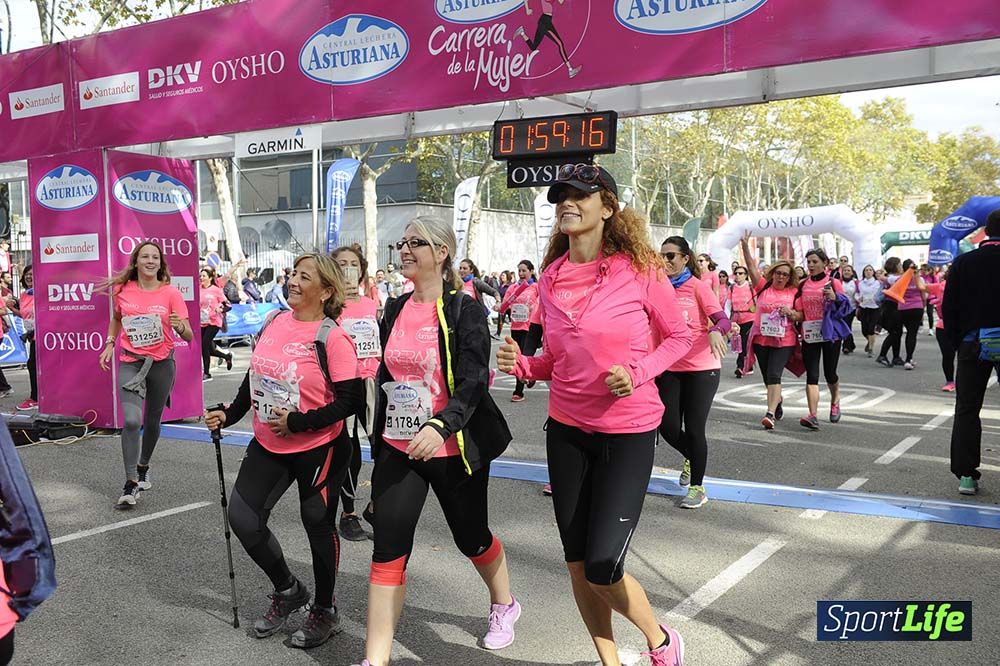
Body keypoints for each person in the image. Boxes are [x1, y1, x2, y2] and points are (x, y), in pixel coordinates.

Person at [497, 164, 692, 666]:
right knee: (578, 563)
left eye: (580, 195)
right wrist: (520, 364)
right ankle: (611, 662)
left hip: (627, 433)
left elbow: (680, 337)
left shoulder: (641, 269)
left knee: (604, 563)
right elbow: (555, 360)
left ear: (607, 207)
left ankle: (661, 641)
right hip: (565, 433)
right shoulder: (550, 279)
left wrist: (639, 371)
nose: (567, 202)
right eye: (560, 194)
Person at [353, 216, 516, 666]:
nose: (405, 250)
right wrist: (379, 438)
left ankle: (503, 604)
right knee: (388, 550)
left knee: (472, 539)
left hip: (453, 448)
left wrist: (441, 425)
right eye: (402, 243)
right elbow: (387, 376)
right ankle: (376, 659)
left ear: (441, 253)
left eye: (416, 243)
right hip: (399, 447)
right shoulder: (394, 307)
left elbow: (473, 381)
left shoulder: (465, 309)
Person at [205, 253, 362, 648]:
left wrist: (298, 422)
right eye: (293, 273)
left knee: (317, 525)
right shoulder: (274, 321)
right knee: (243, 517)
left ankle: (325, 611)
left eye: (303, 277)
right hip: (269, 443)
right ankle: (289, 589)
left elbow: (350, 402)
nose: (292, 280)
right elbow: (254, 375)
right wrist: (230, 413)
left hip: (319, 446)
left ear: (326, 291)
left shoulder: (333, 337)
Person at [98, 241, 193, 508]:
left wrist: (180, 326)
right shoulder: (122, 290)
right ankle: (130, 483)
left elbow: (189, 334)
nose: (150, 261)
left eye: (155, 257)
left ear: (160, 263)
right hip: (131, 362)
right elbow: (117, 319)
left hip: (162, 364)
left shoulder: (171, 293)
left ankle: (143, 465)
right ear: (136, 262)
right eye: (145, 257)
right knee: (130, 421)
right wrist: (109, 343)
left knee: (152, 421)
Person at [659, 236, 732, 509]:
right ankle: (692, 456)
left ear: (685, 258)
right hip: (669, 366)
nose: (665, 261)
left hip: (702, 367)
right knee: (665, 425)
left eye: (671, 256)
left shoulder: (698, 287)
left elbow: (723, 319)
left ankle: (697, 487)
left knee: (694, 428)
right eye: (662, 256)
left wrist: (715, 331)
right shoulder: (658, 288)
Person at [943, 209, 1000, 495]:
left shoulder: (963, 262)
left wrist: (957, 341)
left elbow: (948, 306)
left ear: (987, 231)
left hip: (972, 342)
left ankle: (966, 474)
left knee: (967, 408)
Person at [332, 244, 381, 543]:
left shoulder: (371, 304)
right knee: (348, 452)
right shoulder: (328, 305)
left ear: (362, 270)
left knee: (384, 449)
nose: (348, 269)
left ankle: (376, 507)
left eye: (353, 264)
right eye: (341, 264)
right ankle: (348, 513)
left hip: (372, 382)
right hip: (344, 383)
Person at [740, 233, 802, 430]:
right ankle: (778, 400)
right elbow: (750, 268)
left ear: (789, 277)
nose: (781, 276)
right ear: (773, 273)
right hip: (762, 340)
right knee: (768, 377)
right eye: (778, 273)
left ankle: (769, 413)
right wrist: (744, 247)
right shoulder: (763, 287)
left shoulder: (794, 292)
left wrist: (791, 312)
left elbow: (801, 315)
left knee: (775, 375)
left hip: (784, 341)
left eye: (785, 274)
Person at [794, 249, 851, 430]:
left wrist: (835, 298)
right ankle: (813, 415)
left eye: (814, 262)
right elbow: (799, 311)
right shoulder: (803, 285)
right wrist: (792, 315)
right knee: (812, 375)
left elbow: (846, 307)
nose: (810, 265)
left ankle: (835, 400)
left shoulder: (833, 282)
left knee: (830, 373)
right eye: (808, 262)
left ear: (824, 263)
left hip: (830, 334)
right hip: (810, 333)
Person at [496, 260, 539, 403]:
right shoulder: (513, 287)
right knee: (517, 358)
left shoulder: (536, 287)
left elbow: (544, 304)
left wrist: (535, 308)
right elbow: (505, 305)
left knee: (525, 357)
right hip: (516, 327)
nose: (521, 274)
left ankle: (521, 386)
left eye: (524, 271)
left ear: (531, 271)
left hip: (531, 327)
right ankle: (525, 382)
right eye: (519, 271)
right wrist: (501, 307)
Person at [9, 266, 36, 410]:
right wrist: (13, 310)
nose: (28, 277)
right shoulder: (25, 295)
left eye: (32, 274)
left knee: (33, 365)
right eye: (26, 274)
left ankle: (36, 398)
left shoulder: (42, 292)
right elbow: (26, 315)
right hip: (31, 334)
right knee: (32, 365)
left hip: (44, 333)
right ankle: (36, 396)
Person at [199, 268, 233, 381]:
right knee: (209, 348)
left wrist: (221, 309)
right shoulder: (198, 289)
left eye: (204, 276)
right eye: (201, 276)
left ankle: (207, 373)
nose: (201, 278)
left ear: (209, 278)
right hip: (202, 322)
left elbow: (228, 305)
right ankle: (227, 356)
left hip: (214, 321)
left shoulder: (215, 290)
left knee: (204, 345)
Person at [896, 259, 928, 370]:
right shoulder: (919, 279)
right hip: (916, 307)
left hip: (903, 308)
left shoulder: (899, 279)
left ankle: (907, 358)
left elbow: (896, 293)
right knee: (912, 334)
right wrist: (923, 306)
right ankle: (909, 359)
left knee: (908, 333)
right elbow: (923, 294)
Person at [926, 271, 954, 391]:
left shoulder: (968, 285)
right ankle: (950, 381)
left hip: (963, 327)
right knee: (948, 355)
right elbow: (922, 287)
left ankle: (967, 382)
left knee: (966, 357)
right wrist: (914, 274)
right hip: (943, 326)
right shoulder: (940, 286)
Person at [875, 257, 905, 367]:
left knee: (897, 332)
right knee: (894, 332)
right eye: (900, 264)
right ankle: (882, 355)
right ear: (895, 266)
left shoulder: (889, 278)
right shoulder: (893, 278)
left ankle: (896, 357)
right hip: (892, 306)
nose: (901, 267)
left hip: (892, 306)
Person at [730, 265, 756, 378]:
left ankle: (740, 367)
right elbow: (727, 305)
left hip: (749, 319)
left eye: (741, 273)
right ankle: (748, 365)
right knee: (738, 343)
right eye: (736, 273)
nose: (738, 276)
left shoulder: (750, 287)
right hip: (736, 320)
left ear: (746, 275)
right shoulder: (731, 288)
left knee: (744, 343)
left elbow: (758, 303)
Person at [856, 265, 883, 357]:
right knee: (864, 330)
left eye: (870, 270)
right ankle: (870, 341)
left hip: (875, 307)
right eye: (866, 270)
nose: (868, 271)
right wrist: (859, 298)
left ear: (873, 272)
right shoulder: (860, 283)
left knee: (871, 328)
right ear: (864, 272)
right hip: (864, 307)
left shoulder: (878, 283)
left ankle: (871, 348)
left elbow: (881, 294)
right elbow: (857, 293)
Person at [839, 264, 858, 354]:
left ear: (852, 273)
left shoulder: (856, 282)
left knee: (846, 325)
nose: (846, 272)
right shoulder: (838, 282)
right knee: (846, 325)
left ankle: (846, 346)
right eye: (845, 270)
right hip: (841, 308)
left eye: (848, 270)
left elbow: (859, 293)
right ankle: (850, 344)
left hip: (852, 307)